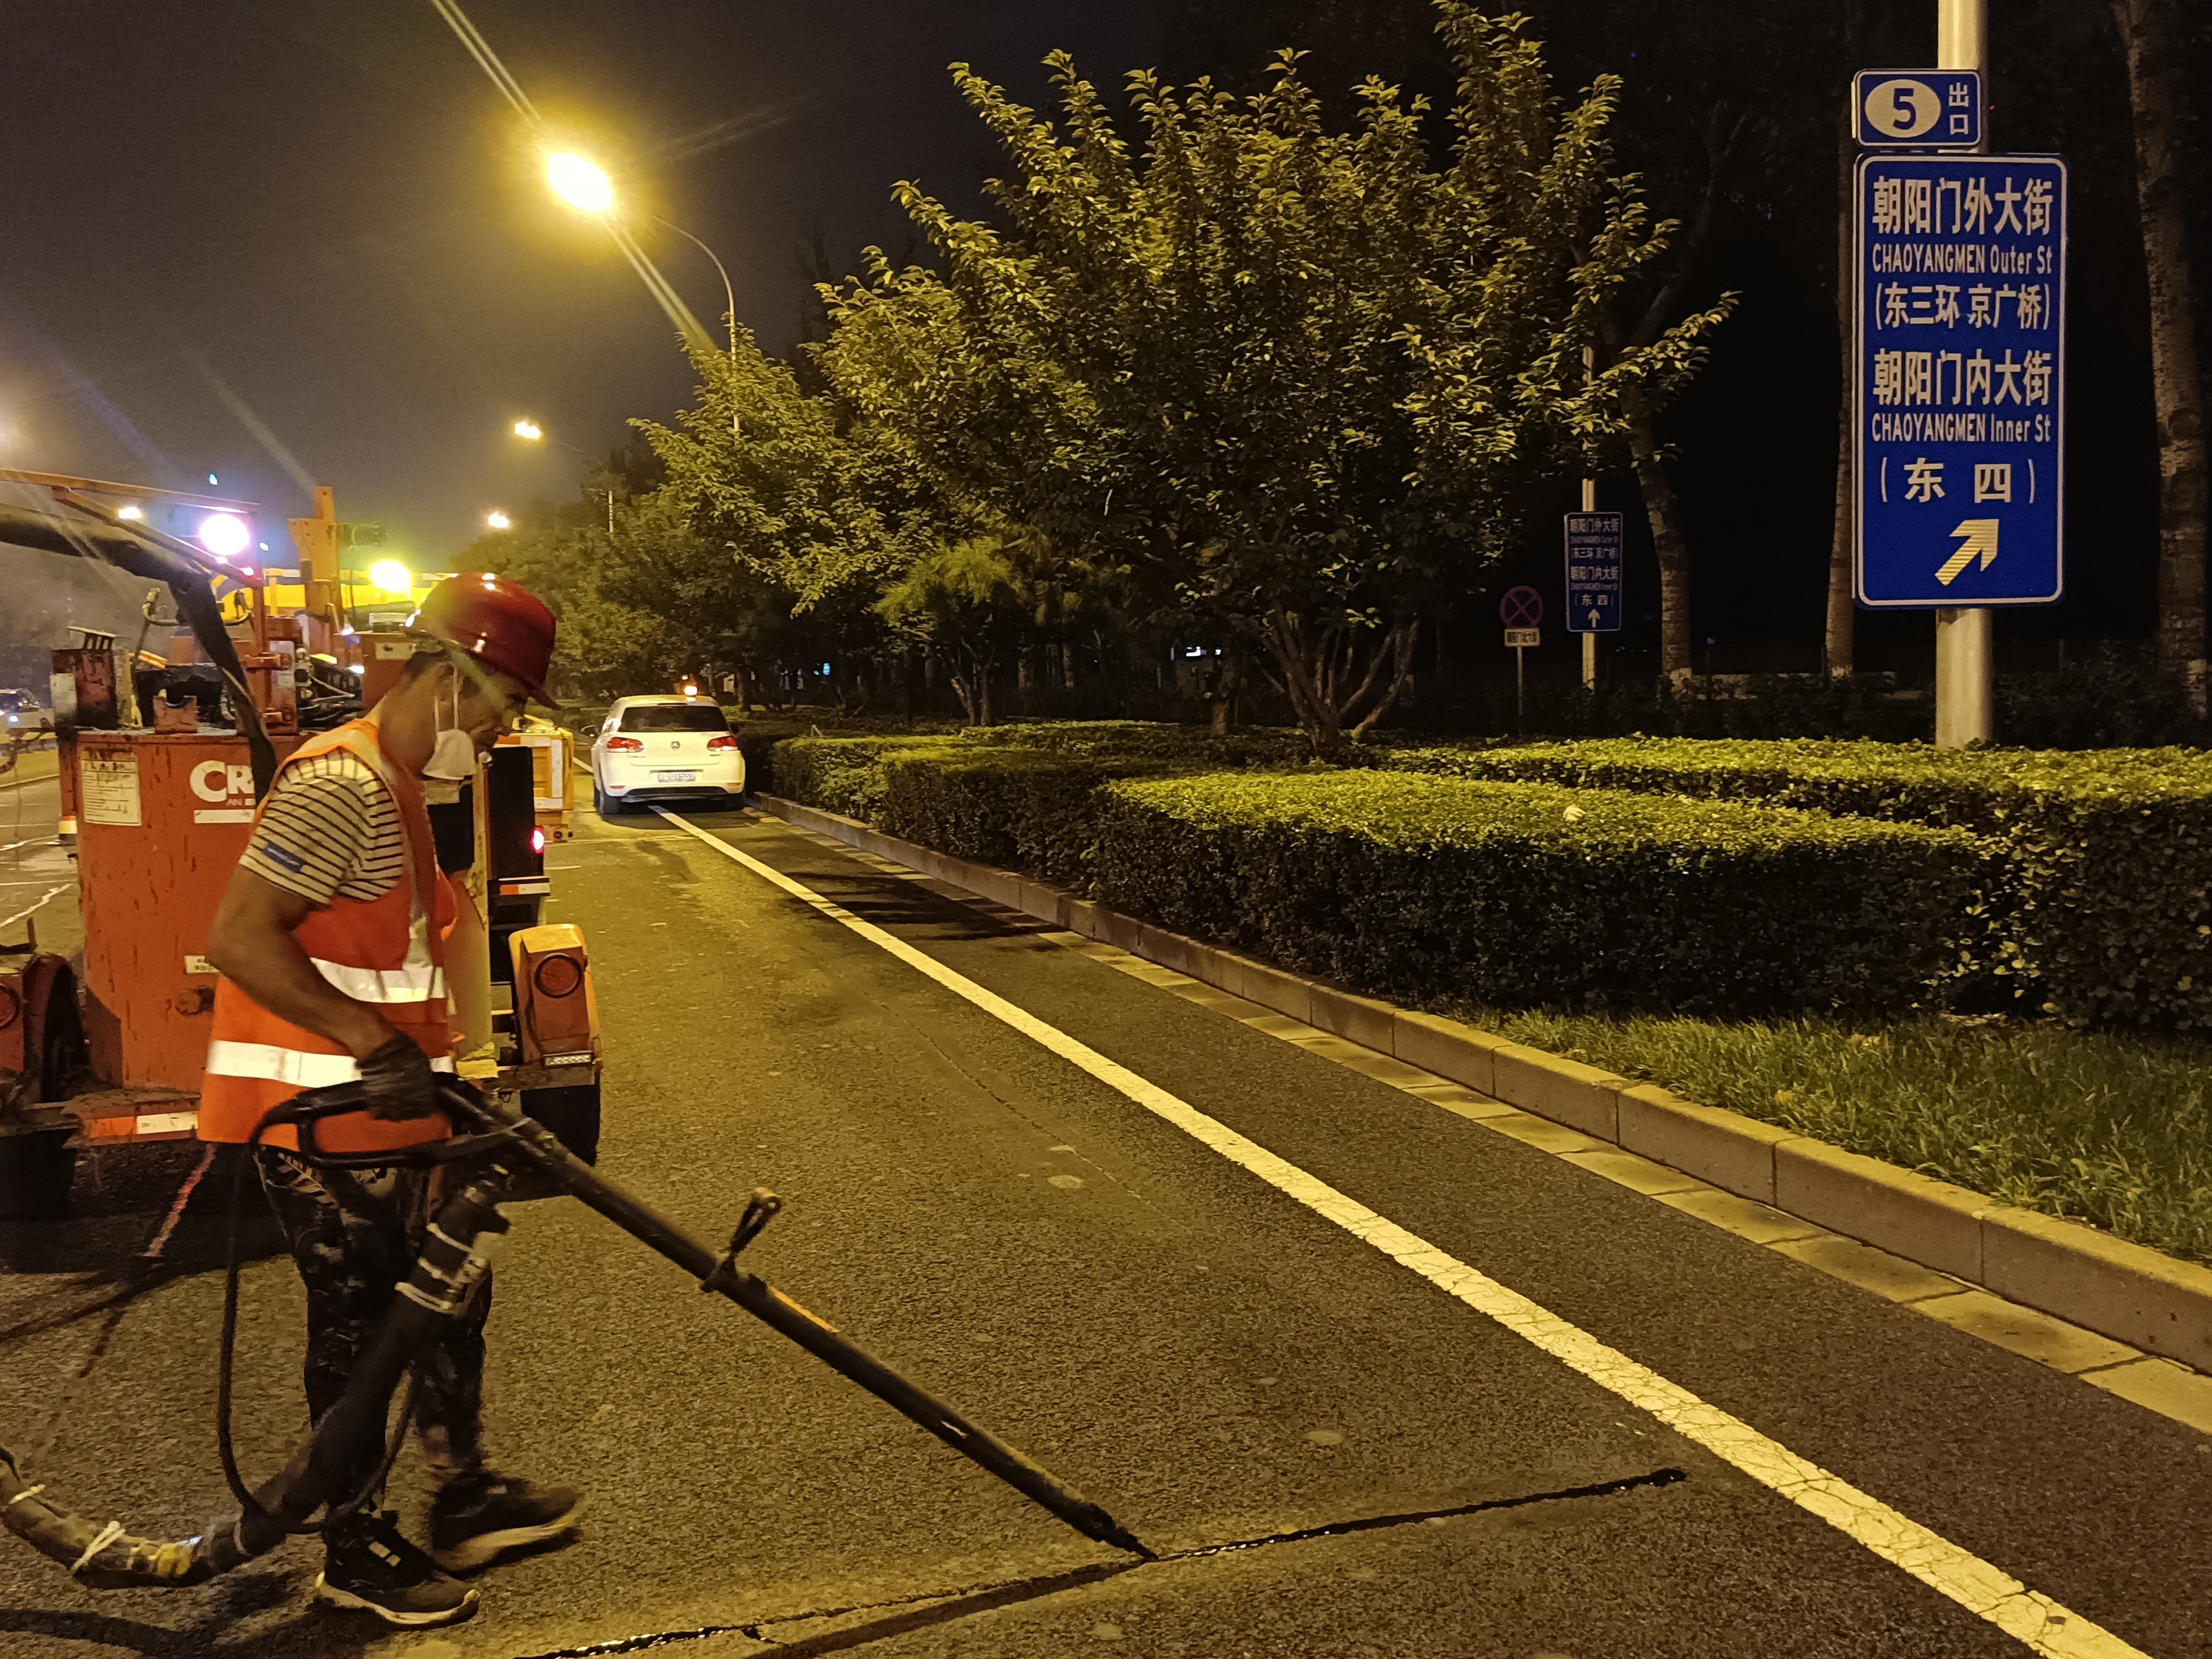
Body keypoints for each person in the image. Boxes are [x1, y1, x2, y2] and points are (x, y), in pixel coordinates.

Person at [198, 573, 579, 1629]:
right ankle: (352, 1549)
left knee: (452, 1296)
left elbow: (405, 962)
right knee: (363, 1330)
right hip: (320, 1118)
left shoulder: (403, 785)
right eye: (502, 705)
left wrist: (453, 1087)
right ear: (451, 679)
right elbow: (238, 936)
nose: (502, 730)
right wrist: (372, 1042)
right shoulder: (344, 784)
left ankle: (463, 1492)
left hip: (392, 1112)